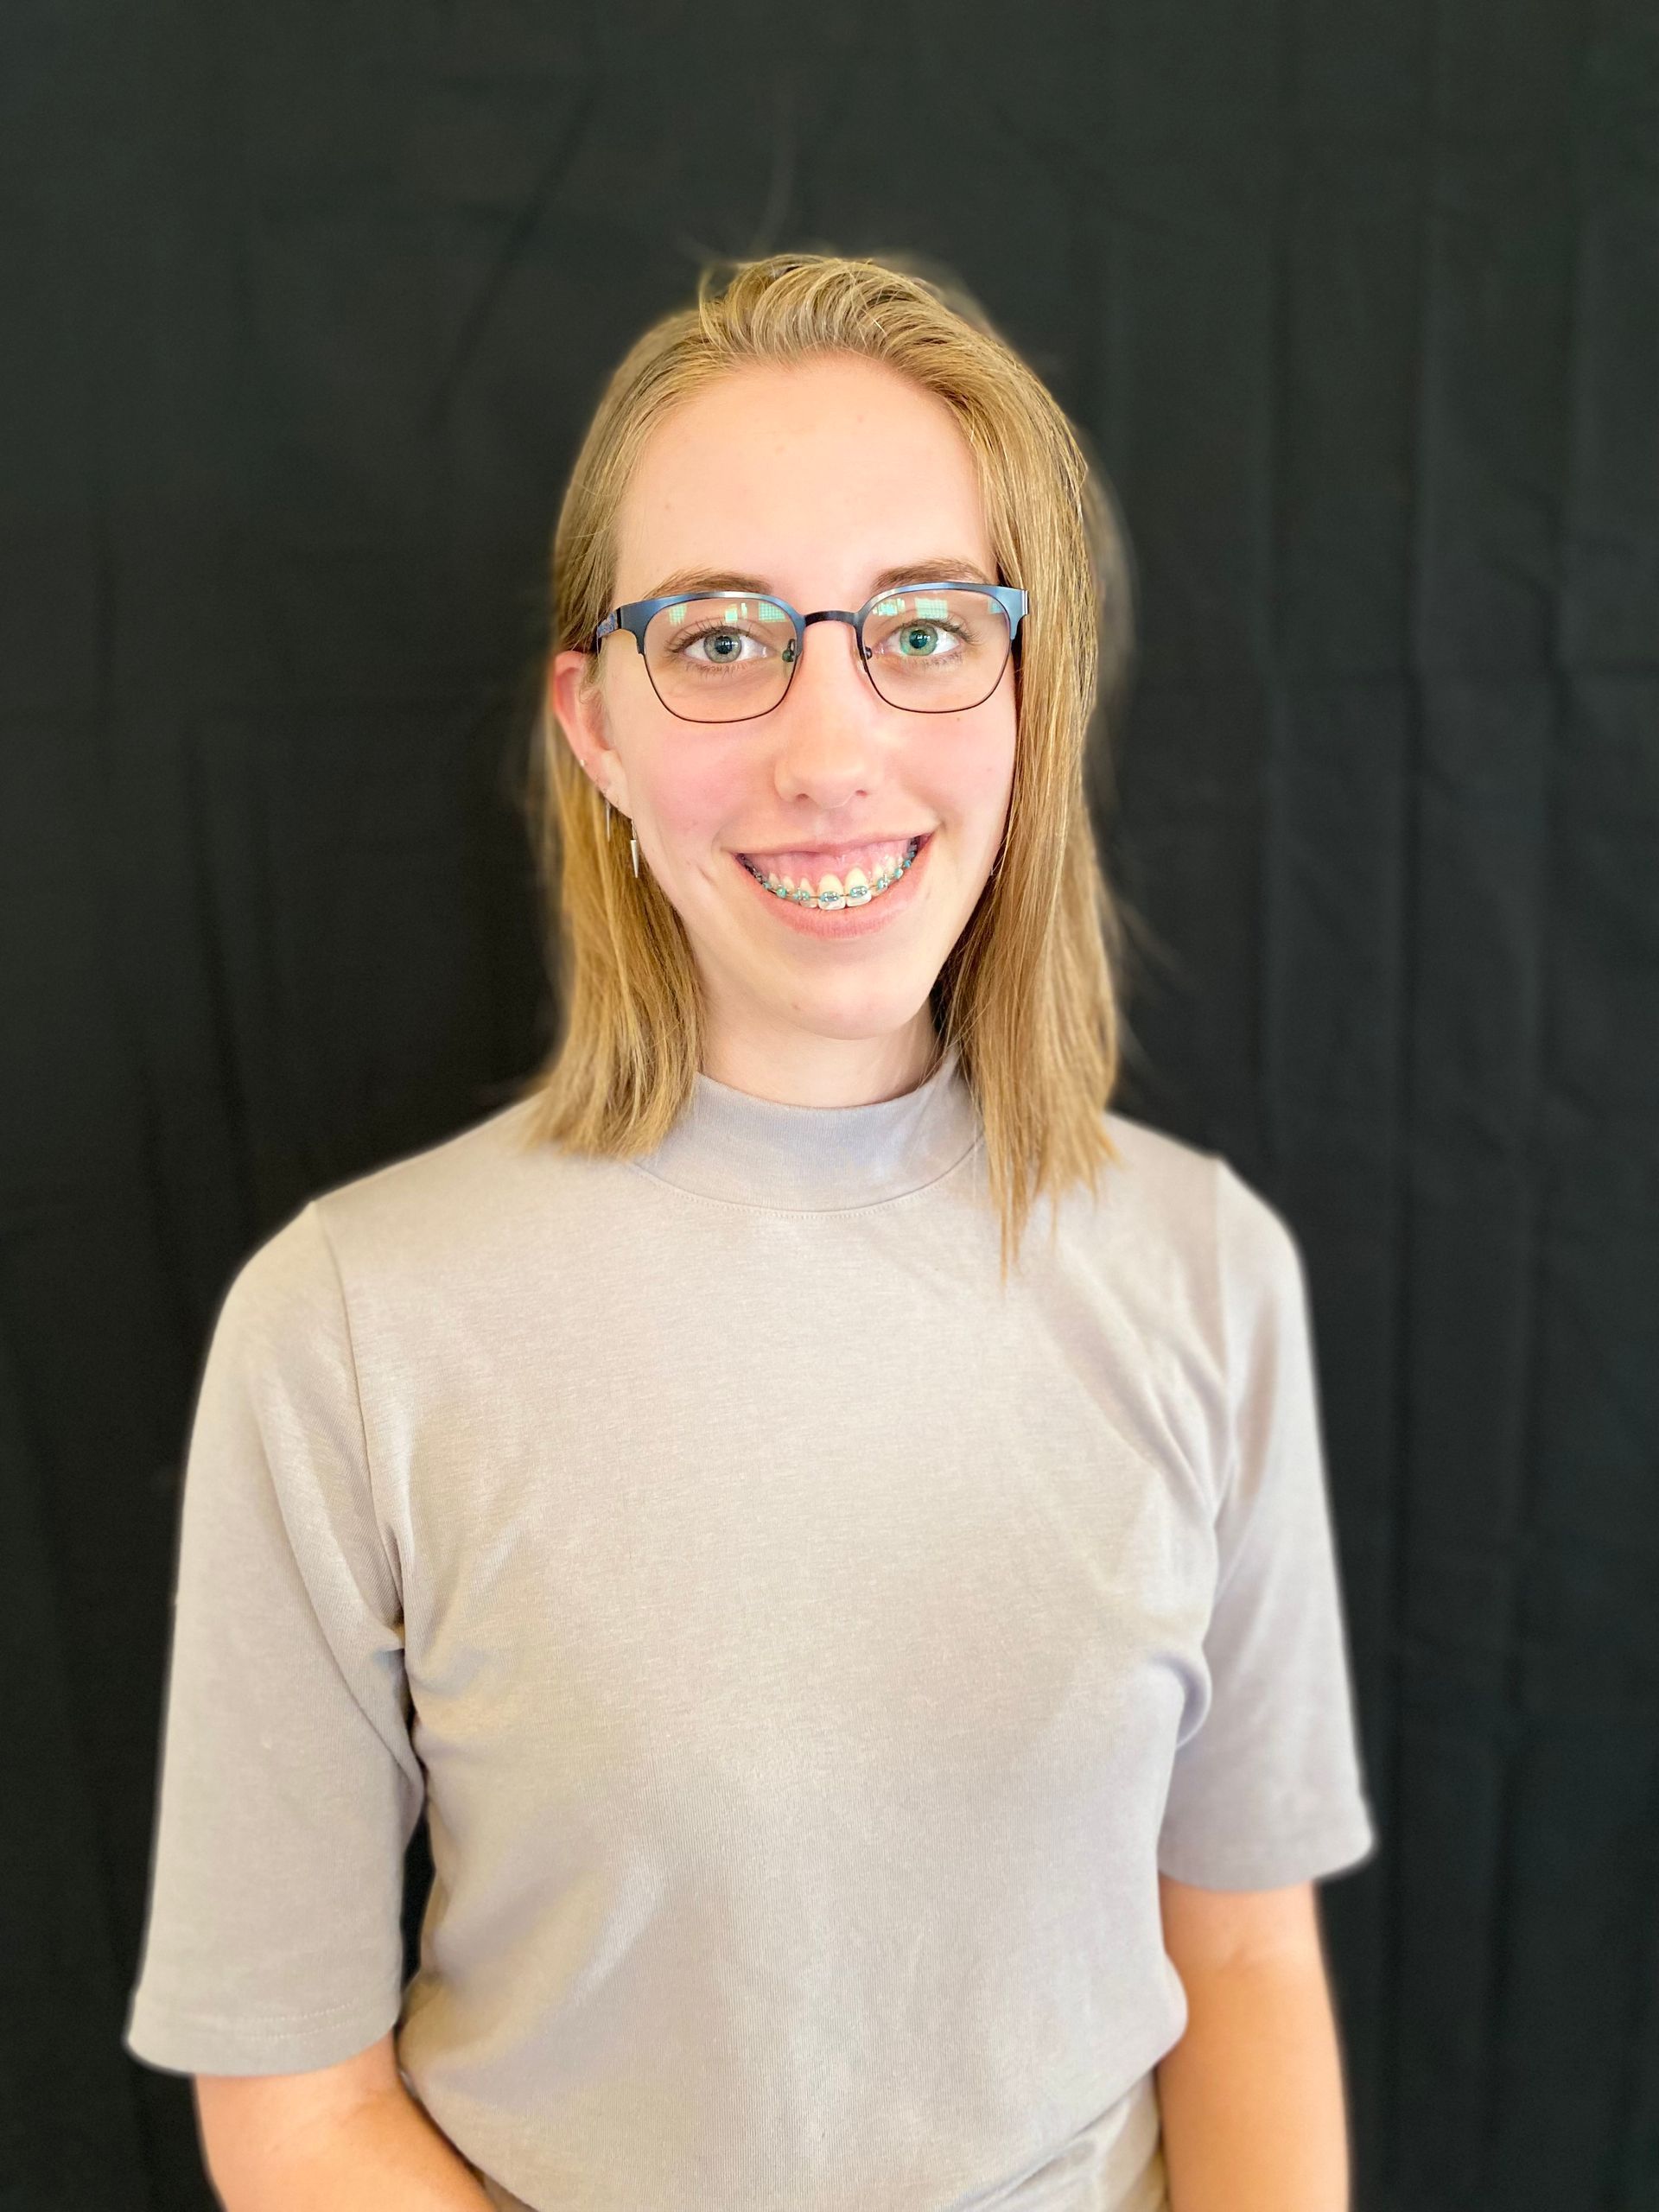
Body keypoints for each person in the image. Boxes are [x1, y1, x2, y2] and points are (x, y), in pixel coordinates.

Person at [123, 251, 1377, 2211]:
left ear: (1026, 697)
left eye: (925, 628)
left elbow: (1243, 1963)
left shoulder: (1209, 1274)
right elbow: (290, 2105)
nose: (830, 748)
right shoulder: (348, 1331)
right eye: (720, 639)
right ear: (595, 727)